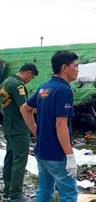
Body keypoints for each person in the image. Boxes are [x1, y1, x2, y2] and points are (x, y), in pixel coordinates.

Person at [20, 51, 79, 201]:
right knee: (69, 193)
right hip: (56, 153)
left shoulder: (44, 87)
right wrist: (70, 156)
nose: (78, 69)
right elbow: (61, 126)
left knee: (44, 190)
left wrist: (36, 133)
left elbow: (25, 109)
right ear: (65, 68)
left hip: (41, 151)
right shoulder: (64, 90)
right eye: (75, 66)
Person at [0, 63, 38, 202]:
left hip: (8, 125)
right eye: (31, 78)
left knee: (10, 158)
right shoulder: (18, 86)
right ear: (28, 73)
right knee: (20, 160)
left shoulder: (6, 82)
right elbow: (25, 108)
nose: (29, 80)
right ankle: (16, 194)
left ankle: (7, 191)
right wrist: (41, 110)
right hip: (19, 128)